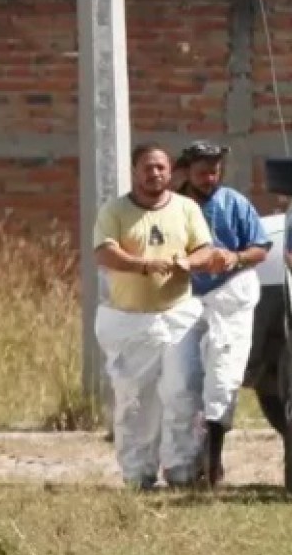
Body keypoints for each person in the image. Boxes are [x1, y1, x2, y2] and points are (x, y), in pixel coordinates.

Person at [91, 141, 219, 490]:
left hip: (179, 315)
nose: (155, 173)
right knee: (137, 400)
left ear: (170, 171)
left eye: (161, 167)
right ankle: (138, 474)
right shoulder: (115, 211)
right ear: (135, 171)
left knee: (183, 390)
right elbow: (104, 253)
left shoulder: (186, 208)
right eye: (147, 167)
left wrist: (187, 262)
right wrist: (144, 265)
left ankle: (182, 469)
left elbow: (205, 250)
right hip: (132, 320)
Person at [172, 140, 273, 487]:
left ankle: (214, 463)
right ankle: (182, 462)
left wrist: (236, 257)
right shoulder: (173, 207)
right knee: (182, 380)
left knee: (222, 378)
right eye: (202, 172)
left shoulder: (233, 202)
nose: (209, 179)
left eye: (214, 172)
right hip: (183, 300)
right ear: (186, 171)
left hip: (229, 297)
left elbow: (260, 247)